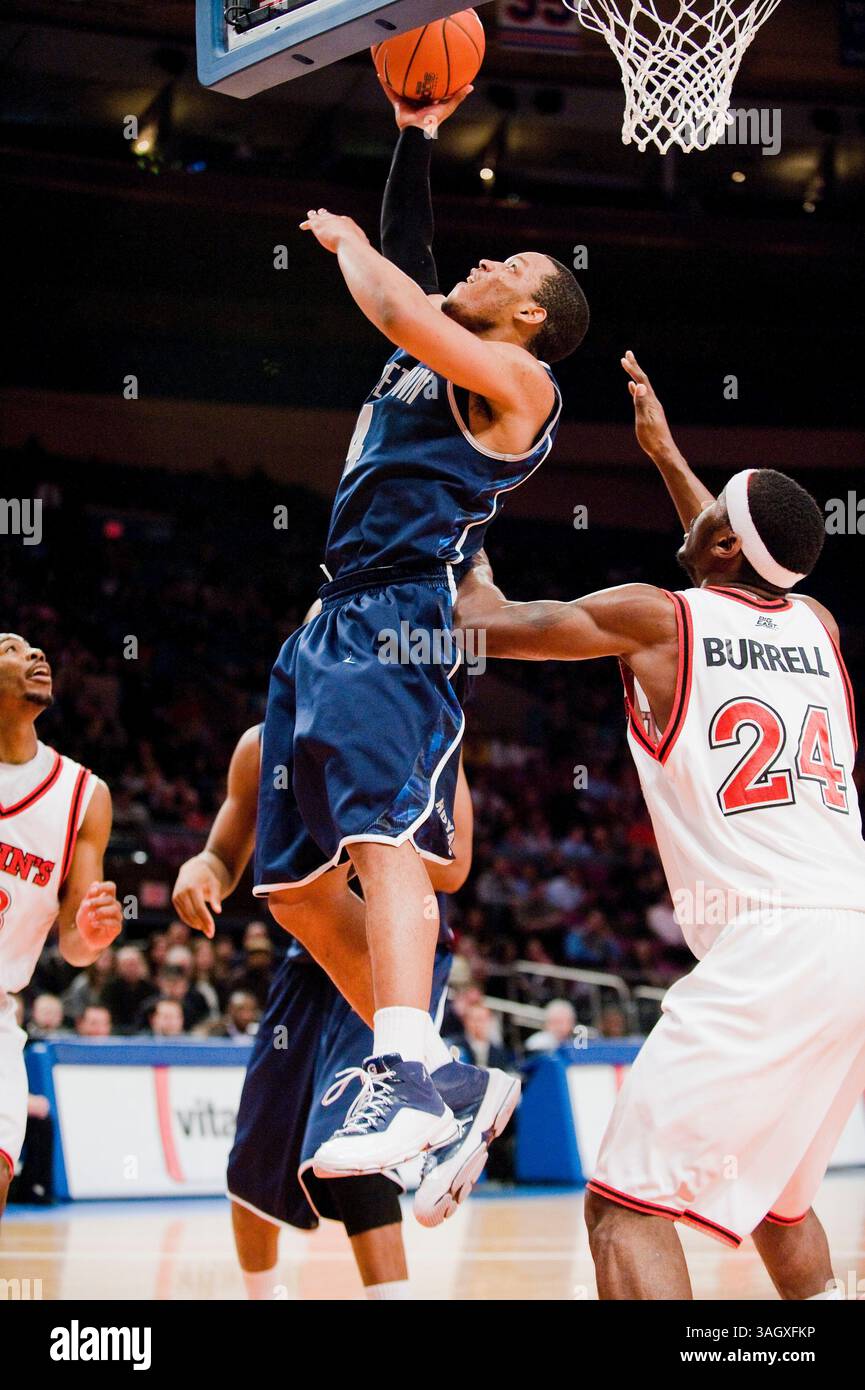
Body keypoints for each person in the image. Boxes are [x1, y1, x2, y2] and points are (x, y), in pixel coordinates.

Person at [454, 352, 865, 1301]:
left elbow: (484, 624)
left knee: (623, 1210)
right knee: (777, 1206)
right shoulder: (818, 625)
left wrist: (460, 513)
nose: (703, 515)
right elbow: (737, 565)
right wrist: (669, 458)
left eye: (714, 510)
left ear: (722, 545)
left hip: (774, 947)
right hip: (850, 938)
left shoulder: (653, 619)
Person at [252, 80, 587, 1177]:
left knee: (380, 840)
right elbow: (414, 257)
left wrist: (345, 243)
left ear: (531, 316)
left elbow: (393, 298)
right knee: (295, 886)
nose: (483, 266)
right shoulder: (448, 332)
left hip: (401, 615)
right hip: (331, 611)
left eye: (508, 273)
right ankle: (450, 1078)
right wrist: (412, 136)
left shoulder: (522, 385)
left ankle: (396, 1074)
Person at [172, 722, 492, 1300]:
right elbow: (224, 853)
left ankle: (456, 1093)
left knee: (353, 1155)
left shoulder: (423, 729)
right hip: (306, 957)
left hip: (392, 955)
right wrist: (202, 870)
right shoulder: (260, 746)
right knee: (254, 1158)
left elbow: (456, 863)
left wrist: (365, 854)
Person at [0, 633, 123, 1222]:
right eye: (9, 648)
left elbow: (75, 946)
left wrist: (91, 936)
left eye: (35, 649)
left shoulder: (83, 795)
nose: (34, 655)